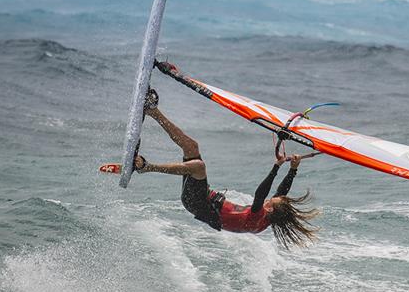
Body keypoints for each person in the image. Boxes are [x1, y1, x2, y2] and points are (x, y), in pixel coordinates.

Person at [133, 92, 319, 248]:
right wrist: (293, 169)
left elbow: (260, 194)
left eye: (272, 201)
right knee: (191, 147)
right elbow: (281, 193)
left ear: (271, 209)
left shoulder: (259, 219)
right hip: (203, 196)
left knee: (199, 167)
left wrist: (276, 166)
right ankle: (152, 110)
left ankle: (145, 166)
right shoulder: (271, 214)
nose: (271, 199)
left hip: (198, 203)